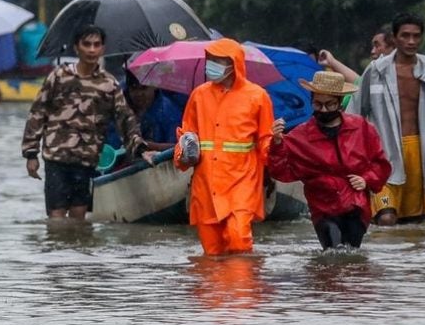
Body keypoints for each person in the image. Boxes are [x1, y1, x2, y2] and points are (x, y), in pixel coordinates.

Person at [21, 25, 157, 220]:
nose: (92, 50)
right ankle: (57, 251)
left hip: (87, 160)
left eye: (97, 45)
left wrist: (141, 149)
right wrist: (30, 153)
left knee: (79, 218)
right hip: (56, 158)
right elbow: (37, 113)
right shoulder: (58, 77)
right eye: (87, 44)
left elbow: (125, 119)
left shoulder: (108, 84)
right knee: (56, 218)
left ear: (102, 48)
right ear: (77, 48)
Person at [347, 12, 425, 226]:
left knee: (414, 223)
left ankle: (408, 260)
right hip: (381, 154)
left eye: (416, 36)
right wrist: (351, 155)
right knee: (386, 217)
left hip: (418, 151)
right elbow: (354, 114)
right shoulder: (376, 71)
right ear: (394, 38)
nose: (411, 41)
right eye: (405, 35)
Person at [268, 71, 391, 250]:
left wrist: (367, 179)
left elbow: (381, 164)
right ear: (311, 102)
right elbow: (281, 172)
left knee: (351, 253)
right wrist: (277, 143)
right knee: (332, 253)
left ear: (340, 103)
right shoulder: (299, 136)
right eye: (318, 104)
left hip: (356, 205)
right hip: (322, 208)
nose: (323, 110)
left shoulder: (361, 128)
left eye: (329, 104)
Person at [174, 38, 274, 256]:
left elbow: (265, 140)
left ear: (233, 63)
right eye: (209, 59)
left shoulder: (258, 96)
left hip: (241, 182)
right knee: (211, 252)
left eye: (217, 60)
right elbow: (186, 135)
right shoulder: (199, 95)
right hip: (206, 183)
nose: (211, 65)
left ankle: (242, 289)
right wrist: (182, 157)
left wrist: (277, 152)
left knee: (239, 240)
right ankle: (214, 290)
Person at [106, 71, 183, 152]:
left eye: (144, 88)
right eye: (134, 88)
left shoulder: (169, 112)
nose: (139, 94)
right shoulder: (119, 109)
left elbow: (178, 147)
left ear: (154, 86)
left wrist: (148, 146)